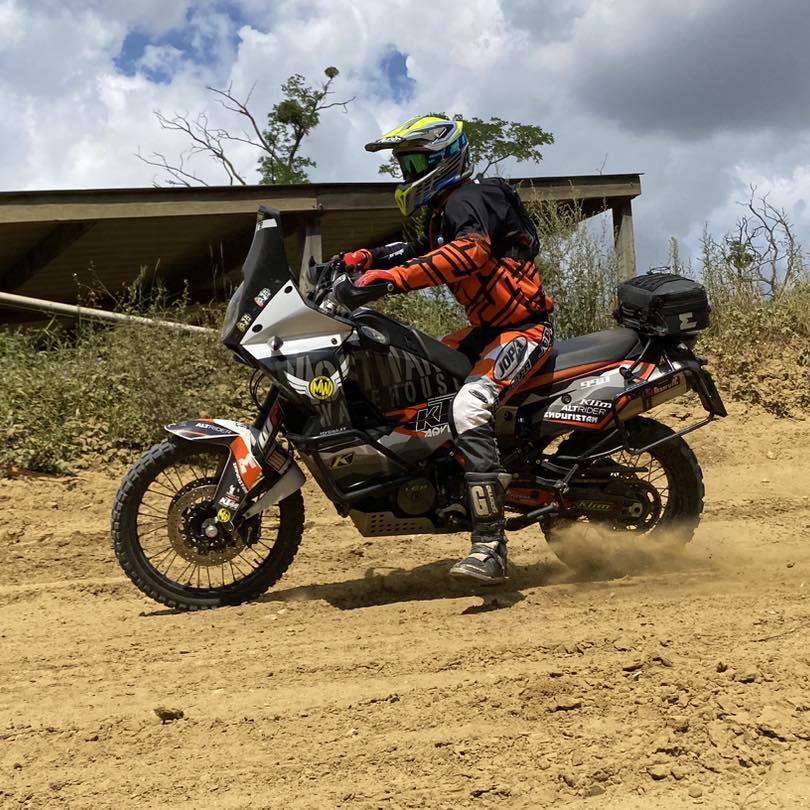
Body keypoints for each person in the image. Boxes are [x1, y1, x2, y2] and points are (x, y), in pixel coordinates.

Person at [346, 115, 555, 584]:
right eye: (403, 163)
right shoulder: (448, 208)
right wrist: (367, 258)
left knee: (467, 406)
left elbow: (470, 253)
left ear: (443, 157)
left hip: (523, 332)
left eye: (413, 160)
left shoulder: (473, 196)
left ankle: (490, 548)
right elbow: (419, 247)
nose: (406, 171)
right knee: (422, 379)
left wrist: (392, 279)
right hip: (487, 330)